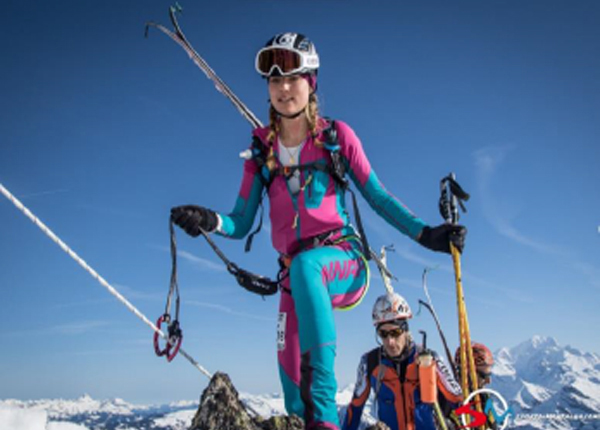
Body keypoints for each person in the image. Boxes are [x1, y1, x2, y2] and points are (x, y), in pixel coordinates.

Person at [170, 32, 466, 430]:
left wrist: (426, 235)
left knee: (308, 270)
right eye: (275, 81)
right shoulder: (261, 151)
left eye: (292, 78)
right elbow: (240, 221)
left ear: (311, 83)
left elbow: (377, 196)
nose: (283, 87)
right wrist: (209, 220)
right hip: (294, 273)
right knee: (293, 390)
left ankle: (324, 423)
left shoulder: (336, 138)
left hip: (342, 259)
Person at [342, 293, 463, 430]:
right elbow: (354, 410)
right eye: (383, 334)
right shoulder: (370, 363)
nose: (390, 342)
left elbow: (458, 400)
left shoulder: (430, 359)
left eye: (395, 332)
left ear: (406, 330)